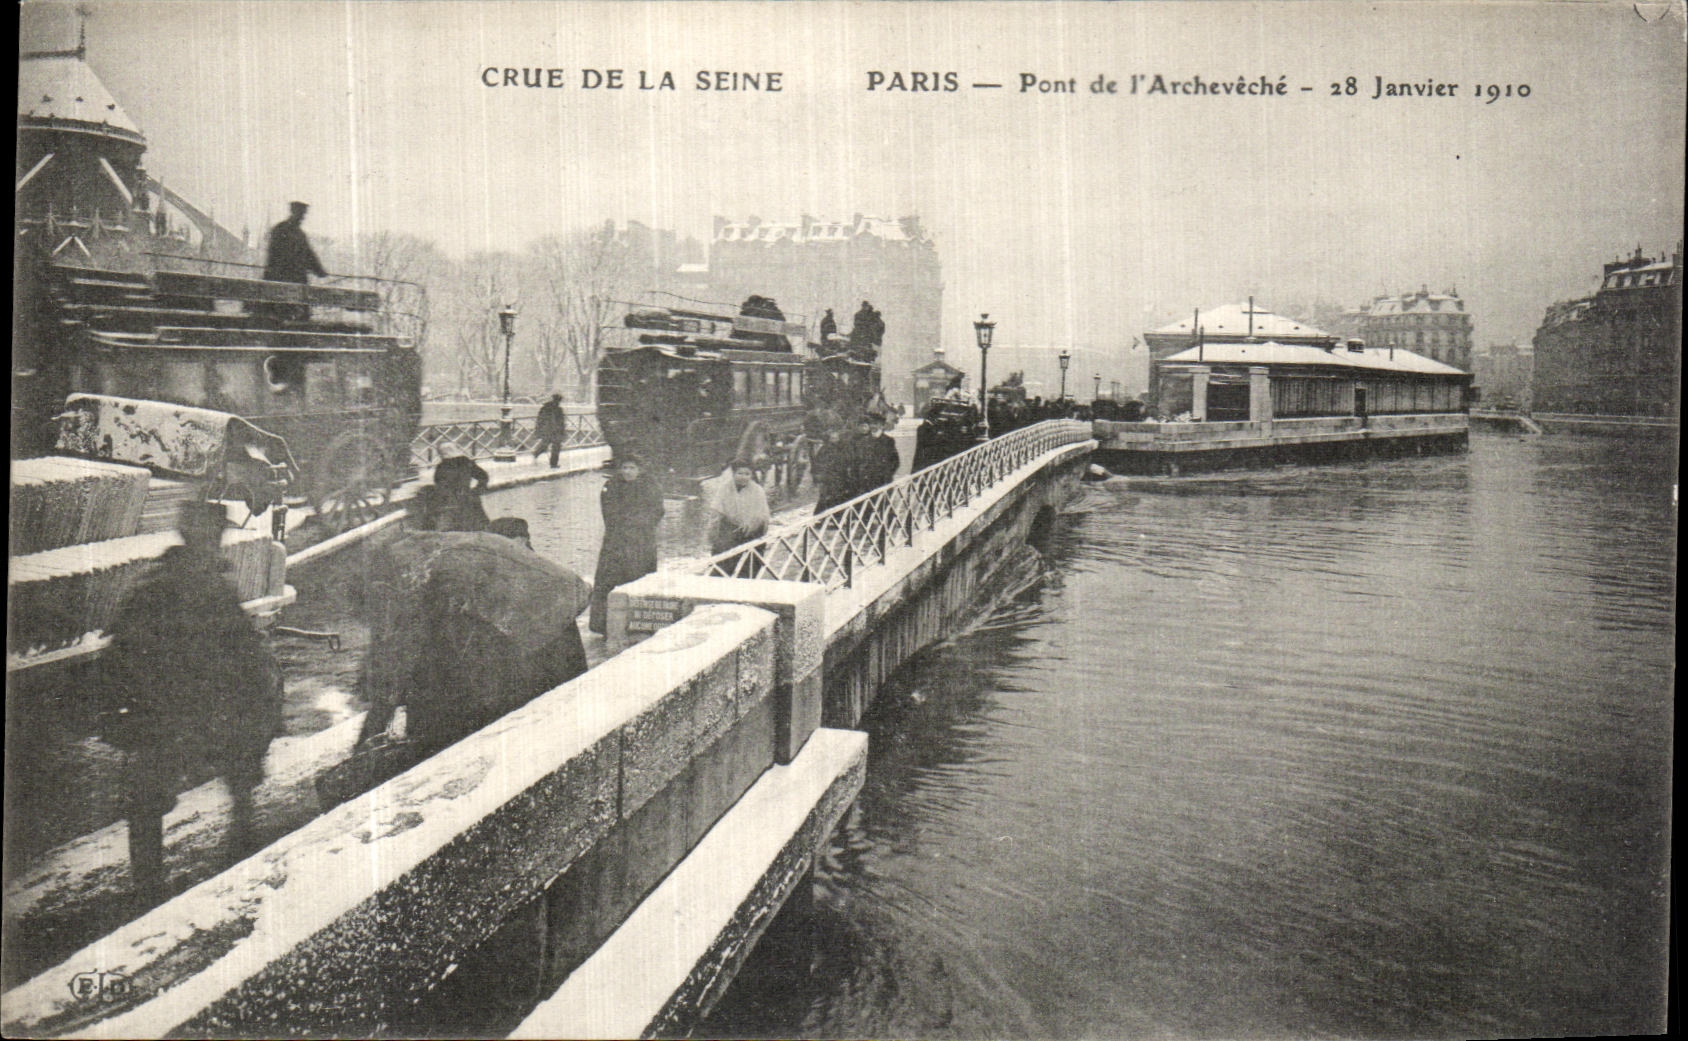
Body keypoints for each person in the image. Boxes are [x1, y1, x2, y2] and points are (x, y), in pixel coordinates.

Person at [98, 501, 284, 903]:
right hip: (204, 714)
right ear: (213, 538)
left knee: (146, 797)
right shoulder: (213, 587)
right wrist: (262, 705)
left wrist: (124, 714)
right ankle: (242, 844)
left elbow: (116, 656)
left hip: (157, 716)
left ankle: (147, 883)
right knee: (241, 762)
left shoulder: (148, 585)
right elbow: (245, 656)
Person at [588, 451, 665, 634]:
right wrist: (626, 524)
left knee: (639, 577)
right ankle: (603, 624)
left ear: (640, 469)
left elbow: (657, 511)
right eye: (625, 468)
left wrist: (639, 524)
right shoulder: (611, 486)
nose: (628, 472)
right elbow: (609, 513)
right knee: (610, 579)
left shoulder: (650, 486)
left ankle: (639, 623)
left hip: (641, 542)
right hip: (616, 542)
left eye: (632, 468)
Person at [262, 201, 327, 321]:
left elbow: (309, 255)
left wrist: (320, 271)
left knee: (299, 317)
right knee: (280, 317)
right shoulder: (280, 229)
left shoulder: (300, 234)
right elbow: (274, 256)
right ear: (293, 212)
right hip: (281, 280)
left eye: (303, 215)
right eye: (300, 214)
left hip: (297, 281)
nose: (302, 217)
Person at [705, 458, 771, 558]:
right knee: (722, 553)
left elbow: (763, 515)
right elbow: (716, 511)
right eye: (740, 473)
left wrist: (751, 523)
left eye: (747, 474)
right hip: (731, 529)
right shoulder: (725, 488)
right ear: (733, 474)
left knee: (750, 559)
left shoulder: (758, 490)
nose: (743, 477)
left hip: (751, 531)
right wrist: (712, 534)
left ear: (751, 475)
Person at [412, 453, 490, 532]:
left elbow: (438, 482)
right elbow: (483, 476)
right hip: (465, 497)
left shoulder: (442, 466)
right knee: (477, 523)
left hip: (451, 499)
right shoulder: (466, 463)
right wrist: (477, 490)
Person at [533, 394, 568, 468]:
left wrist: (539, 429)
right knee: (553, 446)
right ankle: (551, 462)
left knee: (552, 445)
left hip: (550, 431)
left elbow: (539, 420)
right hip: (553, 431)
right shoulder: (556, 409)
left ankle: (551, 462)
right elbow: (561, 422)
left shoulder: (546, 408)